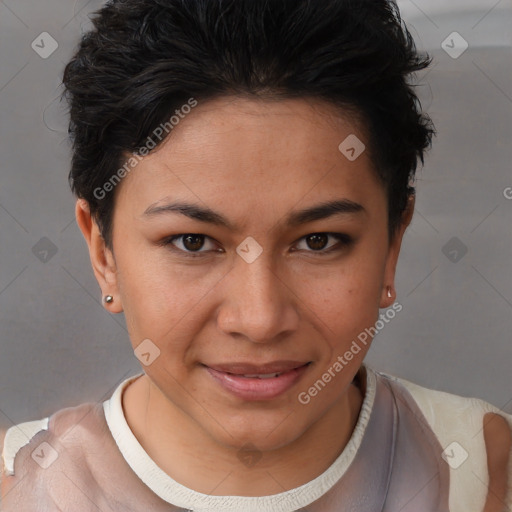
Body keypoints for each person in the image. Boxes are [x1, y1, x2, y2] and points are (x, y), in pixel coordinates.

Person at [1, 0, 511, 510]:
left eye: (319, 241)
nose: (260, 320)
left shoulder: (485, 470)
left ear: (391, 243)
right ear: (103, 252)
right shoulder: (20, 485)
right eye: (193, 242)